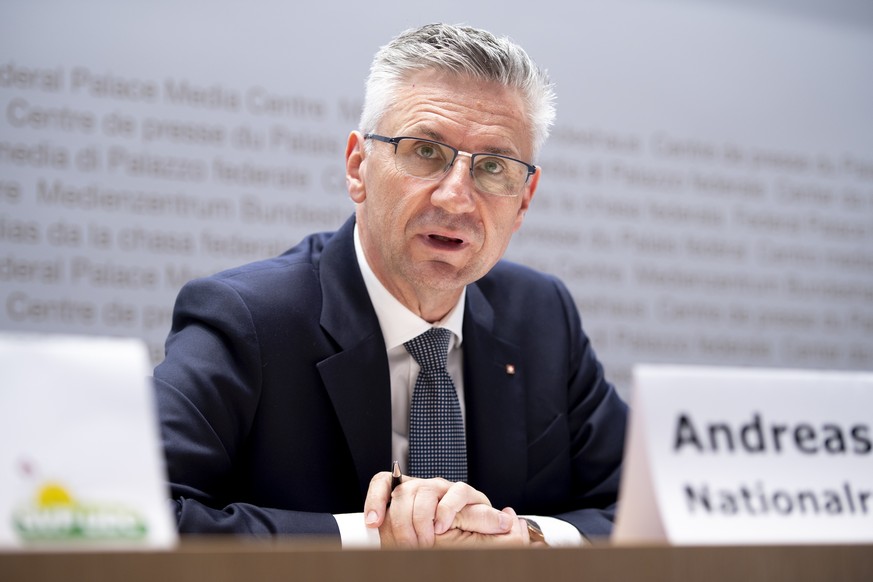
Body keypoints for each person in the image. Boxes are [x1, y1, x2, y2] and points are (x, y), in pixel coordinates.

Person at [154, 22, 627, 548]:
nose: (456, 199)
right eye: (425, 151)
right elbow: (143, 513)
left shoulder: (543, 316)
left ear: (524, 199)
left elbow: (648, 504)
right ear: (358, 166)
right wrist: (376, 540)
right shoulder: (248, 320)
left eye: (493, 167)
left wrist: (526, 538)